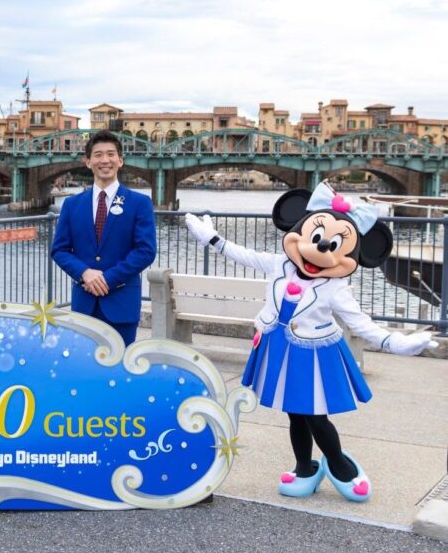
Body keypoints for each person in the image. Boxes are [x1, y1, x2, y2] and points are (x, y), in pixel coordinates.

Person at [185, 183, 437, 503]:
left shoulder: (336, 286)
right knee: (294, 413)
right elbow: (244, 255)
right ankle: (305, 465)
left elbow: (360, 323)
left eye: (333, 245)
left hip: (313, 353)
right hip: (280, 347)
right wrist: (214, 239)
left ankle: (338, 462)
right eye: (315, 238)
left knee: (315, 414)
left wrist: (396, 342)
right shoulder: (280, 264)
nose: (320, 249)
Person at [51, 130, 156, 345]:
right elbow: (59, 250)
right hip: (84, 305)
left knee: (121, 371)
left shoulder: (139, 203)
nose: (105, 160)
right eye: (98, 155)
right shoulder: (72, 205)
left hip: (122, 304)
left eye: (111, 154)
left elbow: (145, 251)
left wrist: (108, 279)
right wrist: (84, 273)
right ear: (87, 162)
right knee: (84, 370)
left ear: (120, 160)